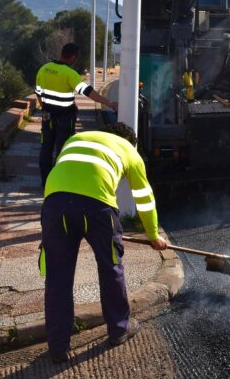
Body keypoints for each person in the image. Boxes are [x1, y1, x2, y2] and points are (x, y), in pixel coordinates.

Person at [39, 123, 167, 363]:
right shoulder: (129, 150)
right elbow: (144, 198)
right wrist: (152, 236)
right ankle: (119, 329)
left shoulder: (76, 138)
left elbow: (68, 174)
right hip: (97, 208)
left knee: (57, 277)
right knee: (111, 268)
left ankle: (58, 347)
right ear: (130, 140)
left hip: (54, 204)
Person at [35, 43, 118, 186]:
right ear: (73, 57)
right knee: (63, 150)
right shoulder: (69, 74)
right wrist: (109, 103)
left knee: (46, 148)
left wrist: (45, 108)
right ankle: (59, 182)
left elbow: (38, 93)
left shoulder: (44, 69)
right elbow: (89, 92)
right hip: (65, 119)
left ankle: (45, 181)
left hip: (47, 116)